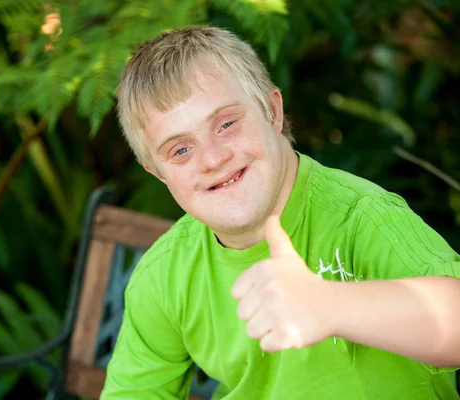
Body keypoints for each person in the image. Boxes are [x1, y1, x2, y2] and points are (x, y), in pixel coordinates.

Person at [100, 26, 460, 399]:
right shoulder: (165, 274)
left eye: (226, 124)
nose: (212, 158)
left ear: (272, 111)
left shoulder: (362, 219)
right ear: (157, 173)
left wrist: (330, 305)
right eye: (180, 150)